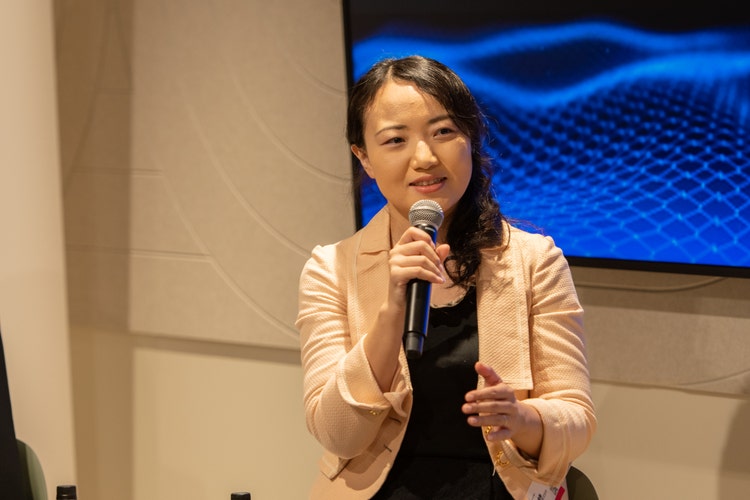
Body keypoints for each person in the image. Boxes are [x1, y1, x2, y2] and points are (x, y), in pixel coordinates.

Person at [296, 55, 596, 499]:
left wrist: (523, 419)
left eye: (443, 132)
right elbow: (337, 435)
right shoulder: (330, 269)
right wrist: (392, 312)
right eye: (395, 140)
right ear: (365, 158)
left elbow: (577, 420)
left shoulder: (536, 261)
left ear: (470, 139)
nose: (424, 158)